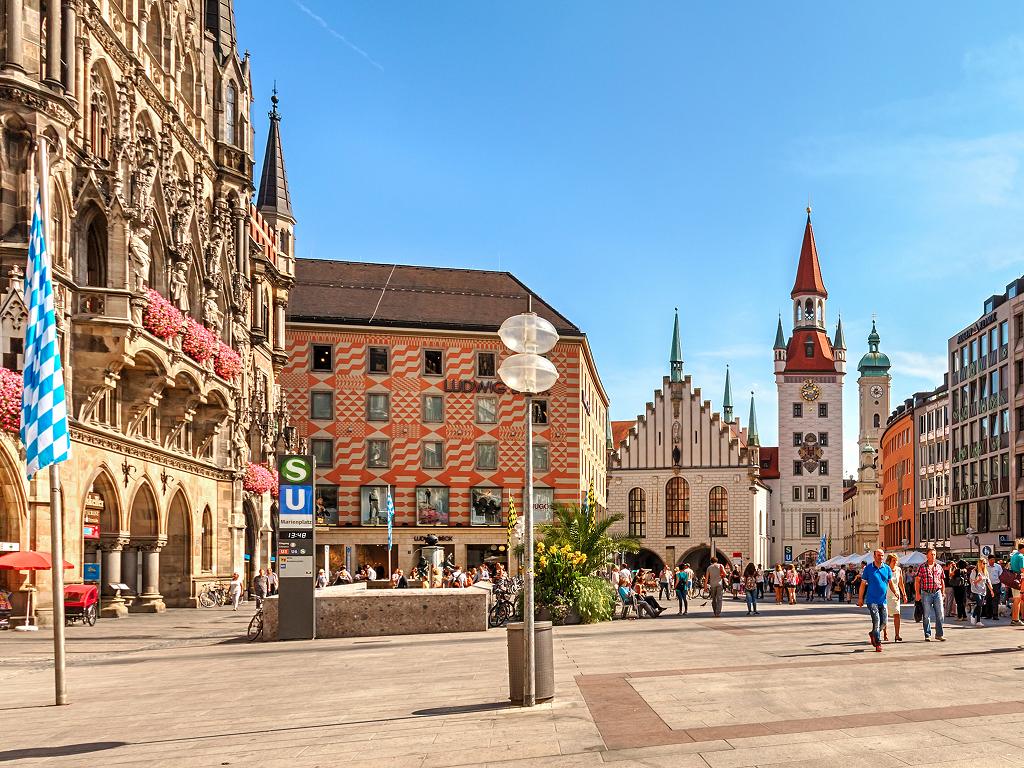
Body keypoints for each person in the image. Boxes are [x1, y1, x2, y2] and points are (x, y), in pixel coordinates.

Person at [858, 549, 896, 651]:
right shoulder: (868, 568)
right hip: (872, 600)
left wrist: (895, 592)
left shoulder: (887, 568)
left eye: (882, 555)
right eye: (879, 555)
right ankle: (878, 643)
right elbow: (862, 584)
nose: (881, 557)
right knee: (876, 621)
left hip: (883, 600)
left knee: (884, 623)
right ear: (874, 556)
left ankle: (873, 633)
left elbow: (890, 582)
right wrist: (860, 598)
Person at [915, 547, 946, 641]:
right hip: (926, 593)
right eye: (931, 554)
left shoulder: (939, 567)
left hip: (937, 592)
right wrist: (917, 594)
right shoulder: (922, 567)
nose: (933, 556)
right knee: (926, 615)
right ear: (927, 556)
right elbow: (917, 581)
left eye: (934, 554)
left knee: (940, 614)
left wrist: (943, 592)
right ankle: (927, 634)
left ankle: (939, 634)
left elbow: (942, 580)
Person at [883, 553, 907, 642]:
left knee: (897, 614)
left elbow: (901, 583)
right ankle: (885, 633)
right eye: (894, 560)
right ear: (889, 561)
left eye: (896, 560)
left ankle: (897, 635)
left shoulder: (898, 570)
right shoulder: (885, 569)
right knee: (885, 615)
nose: (895, 562)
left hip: (896, 595)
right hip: (886, 595)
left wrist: (904, 594)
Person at [969, 558, 992, 627]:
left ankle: (977, 619)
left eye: (985, 563)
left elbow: (988, 581)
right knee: (979, 603)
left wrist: (991, 590)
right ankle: (976, 618)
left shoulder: (985, 571)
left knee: (980, 605)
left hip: (983, 590)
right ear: (979, 563)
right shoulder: (974, 571)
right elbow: (971, 582)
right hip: (975, 590)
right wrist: (978, 580)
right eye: (983, 563)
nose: (985, 565)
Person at [1010, 543, 1024, 626]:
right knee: (1018, 600)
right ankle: (1016, 619)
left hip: (1013, 579)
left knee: (1016, 599)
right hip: (1019, 580)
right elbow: (1022, 569)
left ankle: (1014, 619)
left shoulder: (1014, 556)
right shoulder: (1021, 557)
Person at [986, 554, 1002, 621]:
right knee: (988, 599)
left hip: (996, 585)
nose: (992, 561)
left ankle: (995, 615)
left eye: (993, 560)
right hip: (987, 585)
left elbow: (1001, 575)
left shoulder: (998, 566)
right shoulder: (985, 566)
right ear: (988, 560)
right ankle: (988, 615)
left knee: (995, 600)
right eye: (991, 560)